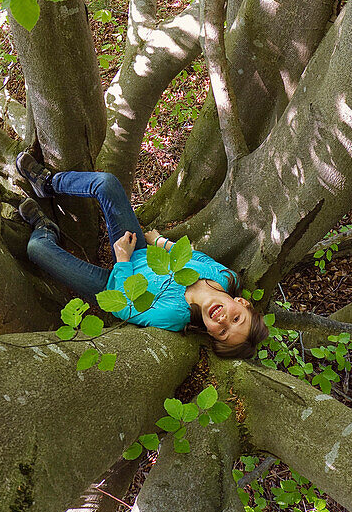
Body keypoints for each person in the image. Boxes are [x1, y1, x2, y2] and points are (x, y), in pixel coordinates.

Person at [16, 151, 268, 358]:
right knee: (107, 184)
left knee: (36, 249)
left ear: (211, 335)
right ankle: (48, 183)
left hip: (113, 286)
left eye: (223, 332)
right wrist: (160, 242)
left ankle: (45, 229)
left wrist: (123, 260)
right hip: (139, 250)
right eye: (236, 318)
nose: (224, 320)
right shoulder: (224, 277)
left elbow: (127, 309)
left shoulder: (176, 315)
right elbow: (198, 258)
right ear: (242, 303)